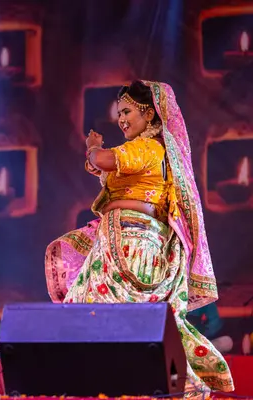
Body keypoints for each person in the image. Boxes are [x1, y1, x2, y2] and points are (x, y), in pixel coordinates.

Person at [45, 81, 234, 394]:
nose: (121, 118)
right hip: (119, 237)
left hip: (134, 242)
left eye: (127, 110)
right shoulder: (140, 151)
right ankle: (117, 382)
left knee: (118, 315)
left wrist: (93, 147)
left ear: (149, 113)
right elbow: (107, 171)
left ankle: (167, 383)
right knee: (99, 314)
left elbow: (104, 160)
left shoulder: (147, 147)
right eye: (119, 112)